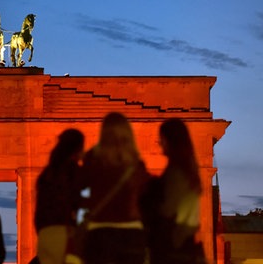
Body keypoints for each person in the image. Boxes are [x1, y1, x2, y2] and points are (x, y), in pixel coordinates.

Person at [80, 112, 149, 264]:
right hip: (132, 233)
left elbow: (75, 187)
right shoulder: (136, 164)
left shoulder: (94, 159)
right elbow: (146, 199)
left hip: (100, 232)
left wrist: (89, 203)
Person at [141, 118, 205, 264]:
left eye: (162, 138)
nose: (160, 143)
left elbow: (167, 210)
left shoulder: (176, 173)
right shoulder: (188, 171)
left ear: (171, 140)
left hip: (174, 244)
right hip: (185, 243)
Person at [34, 129, 85, 264]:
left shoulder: (46, 174)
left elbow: (38, 213)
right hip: (67, 235)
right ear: (77, 148)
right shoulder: (74, 171)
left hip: (46, 236)